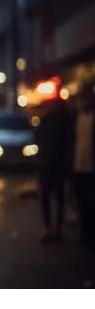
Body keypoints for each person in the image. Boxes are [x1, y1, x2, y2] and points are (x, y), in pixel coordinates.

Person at [34, 99, 71, 242]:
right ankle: (57, 229)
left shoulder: (46, 121)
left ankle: (49, 228)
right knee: (59, 198)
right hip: (59, 165)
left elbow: (38, 138)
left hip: (47, 164)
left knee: (47, 197)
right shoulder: (67, 122)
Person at [69, 79, 95, 246]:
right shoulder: (75, 117)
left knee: (91, 202)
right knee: (81, 202)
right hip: (78, 166)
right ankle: (85, 234)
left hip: (91, 167)